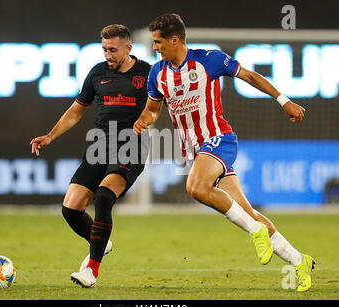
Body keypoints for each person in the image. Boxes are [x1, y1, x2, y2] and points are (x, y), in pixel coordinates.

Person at [133, 13, 315, 292]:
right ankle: (299, 261)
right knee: (246, 212)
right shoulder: (157, 73)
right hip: (196, 151)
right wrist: (144, 119)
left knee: (195, 187)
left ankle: (256, 233)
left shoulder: (209, 59)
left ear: (174, 39)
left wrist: (284, 101)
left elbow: (251, 76)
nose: (155, 47)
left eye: (158, 42)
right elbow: (153, 110)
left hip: (220, 139)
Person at [30, 24, 150, 288]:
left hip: (131, 144)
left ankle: (91, 271)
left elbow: (159, 106)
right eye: (105, 49)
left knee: (105, 196)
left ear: (128, 48)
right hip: (100, 145)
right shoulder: (97, 73)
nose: (108, 54)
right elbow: (76, 110)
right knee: (71, 209)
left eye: (113, 49)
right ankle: (101, 242)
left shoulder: (147, 73)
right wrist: (50, 136)